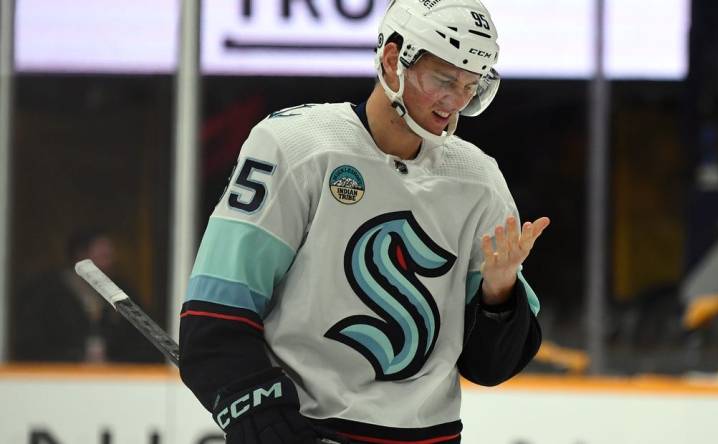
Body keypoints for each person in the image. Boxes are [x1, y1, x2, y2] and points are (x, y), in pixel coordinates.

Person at [179, 1, 549, 443]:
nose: (455, 101)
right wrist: (258, 409)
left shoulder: (479, 182)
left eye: (470, 86)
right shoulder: (296, 147)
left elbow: (489, 368)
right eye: (444, 80)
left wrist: (499, 293)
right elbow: (215, 317)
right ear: (393, 60)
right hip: (307, 426)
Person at [13, 228, 158, 363]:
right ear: (81, 257)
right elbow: (31, 344)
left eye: (111, 257)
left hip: (115, 381)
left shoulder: (123, 293)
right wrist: (74, 357)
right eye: (103, 256)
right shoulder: (47, 294)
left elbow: (144, 341)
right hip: (58, 380)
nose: (110, 263)